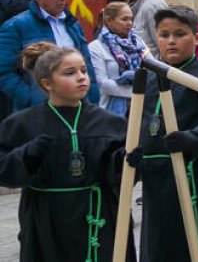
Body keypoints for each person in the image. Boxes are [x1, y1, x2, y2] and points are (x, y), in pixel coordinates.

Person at [0, 44, 131, 261]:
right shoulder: (21, 124)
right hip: (47, 220)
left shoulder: (110, 123)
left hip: (98, 214)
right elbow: (4, 171)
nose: (81, 77)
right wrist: (27, 155)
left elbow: (122, 176)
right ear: (47, 83)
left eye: (84, 70)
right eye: (70, 73)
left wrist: (125, 161)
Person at [131, 5, 198, 261]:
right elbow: (137, 124)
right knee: (161, 243)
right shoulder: (148, 79)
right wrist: (136, 154)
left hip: (197, 175)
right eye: (164, 35)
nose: (171, 41)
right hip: (158, 181)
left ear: (197, 38)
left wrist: (191, 139)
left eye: (179, 34)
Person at [0, 0, 100, 111]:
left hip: (78, 106)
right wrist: (30, 98)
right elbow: (4, 72)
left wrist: (92, 97)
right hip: (37, 111)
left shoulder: (72, 24)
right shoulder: (16, 26)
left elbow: (87, 64)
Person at [87, 1, 147, 116]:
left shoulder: (138, 42)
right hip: (109, 110)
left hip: (141, 107)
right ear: (109, 21)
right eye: (124, 19)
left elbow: (151, 66)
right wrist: (137, 93)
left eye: (131, 19)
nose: (129, 23)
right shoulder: (96, 47)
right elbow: (103, 83)